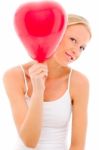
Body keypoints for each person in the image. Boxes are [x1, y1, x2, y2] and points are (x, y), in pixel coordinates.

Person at [3, 14, 92, 150]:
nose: (76, 51)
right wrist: (38, 91)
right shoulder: (14, 76)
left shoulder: (79, 82)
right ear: (55, 34)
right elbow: (29, 142)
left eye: (82, 48)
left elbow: (78, 145)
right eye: (73, 40)